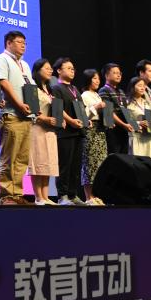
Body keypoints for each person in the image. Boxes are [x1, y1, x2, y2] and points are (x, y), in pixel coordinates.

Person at [0, 31, 34, 205]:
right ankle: (6, 195)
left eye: (25, 42)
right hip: (11, 114)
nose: (23, 45)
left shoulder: (25, 64)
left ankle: (17, 194)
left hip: (26, 116)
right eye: (19, 42)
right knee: (9, 157)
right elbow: (3, 83)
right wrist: (19, 104)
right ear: (9, 43)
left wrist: (34, 108)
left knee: (21, 159)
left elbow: (30, 88)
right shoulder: (1, 59)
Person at [50, 57, 86, 206]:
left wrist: (86, 120)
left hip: (78, 132)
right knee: (64, 164)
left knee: (75, 166)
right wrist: (71, 121)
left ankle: (73, 194)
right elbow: (58, 108)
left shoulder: (75, 89)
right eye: (68, 68)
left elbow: (81, 109)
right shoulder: (56, 88)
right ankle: (62, 195)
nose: (72, 71)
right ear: (59, 70)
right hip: (65, 132)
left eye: (73, 69)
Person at [28, 59, 59, 206]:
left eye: (50, 68)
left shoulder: (50, 89)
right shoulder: (32, 87)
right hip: (37, 129)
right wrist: (45, 119)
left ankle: (45, 196)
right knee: (38, 162)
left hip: (50, 130)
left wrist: (60, 120)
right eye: (47, 68)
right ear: (38, 70)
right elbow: (31, 111)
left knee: (48, 163)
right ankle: (38, 197)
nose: (50, 71)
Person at [79, 68, 108, 206]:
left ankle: (96, 196)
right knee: (89, 163)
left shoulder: (97, 95)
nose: (97, 81)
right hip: (90, 130)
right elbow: (83, 115)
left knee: (100, 164)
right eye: (94, 78)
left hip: (100, 130)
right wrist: (96, 107)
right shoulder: (84, 95)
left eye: (98, 79)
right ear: (88, 79)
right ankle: (88, 196)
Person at [99, 62, 134, 154]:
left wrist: (133, 124)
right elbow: (108, 112)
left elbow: (126, 110)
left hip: (124, 130)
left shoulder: (121, 91)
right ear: (106, 75)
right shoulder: (104, 90)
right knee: (114, 156)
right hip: (113, 130)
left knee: (124, 157)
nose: (118, 75)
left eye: (119, 73)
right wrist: (124, 125)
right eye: (115, 73)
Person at [126, 77, 151, 161]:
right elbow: (126, 122)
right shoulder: (127, 102)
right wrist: (139, 123)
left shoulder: (147, 103)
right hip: (136, 138)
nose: (142, 88)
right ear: (132, 87)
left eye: (143, 86)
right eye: (139, 85)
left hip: (148, 138)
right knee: (137, 164)